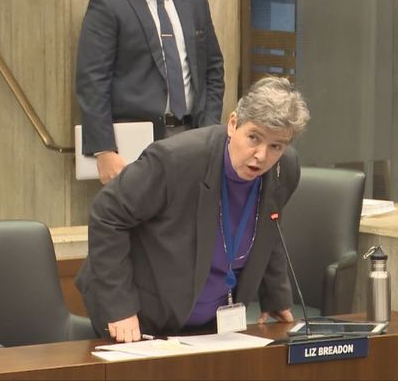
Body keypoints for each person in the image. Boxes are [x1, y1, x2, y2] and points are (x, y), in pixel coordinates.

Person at [76, 76, 310, 342]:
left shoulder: (284, 168)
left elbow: (269, 227)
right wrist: (120, 309)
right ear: (233, 124)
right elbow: (107, 213)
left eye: (275, 146)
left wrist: (275, 296)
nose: (261, 155)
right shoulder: (175, 160)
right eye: (253, 138)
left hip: (212, 321)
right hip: (142, 311)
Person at [76, 0, 225, 184]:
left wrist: (210, 128)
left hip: (193, 135)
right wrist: (104, 150)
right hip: (136, 143)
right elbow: (93, 81)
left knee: (191, 213)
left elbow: (213, 68)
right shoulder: (108, 4)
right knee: (142, 214)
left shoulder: (195, 0)